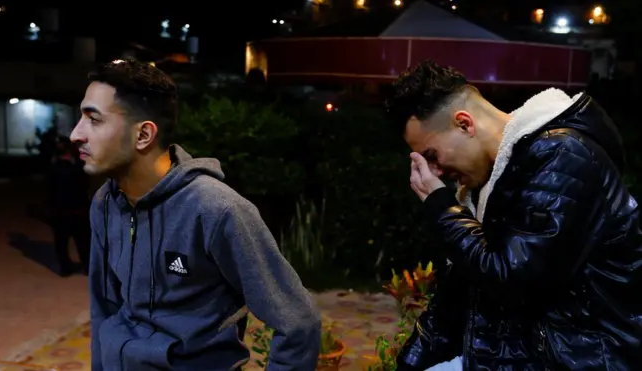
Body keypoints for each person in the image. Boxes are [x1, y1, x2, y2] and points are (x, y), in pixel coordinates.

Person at [384, 60, 642, 370]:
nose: (435, 172)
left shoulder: (562, 156)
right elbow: (458, 295)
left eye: (432, 156)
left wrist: (442, 208)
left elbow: (512, 281)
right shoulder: (492, 180)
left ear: (464, 124)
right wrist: (409, 363)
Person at [70, 59, 321, 371]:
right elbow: (104, 308)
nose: (75, 134)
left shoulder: (217, 209)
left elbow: (298, 323)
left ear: (144, 135)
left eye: (93, 120)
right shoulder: (105, 203)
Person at [49, 136, 91, 276]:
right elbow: (85, 185)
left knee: (61, 241)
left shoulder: (53, 168)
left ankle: (65, 267)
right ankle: (88, 266)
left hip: (60, 211)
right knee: (83, 241)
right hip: (78, 210)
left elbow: (49, 189)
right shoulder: (78, 167)